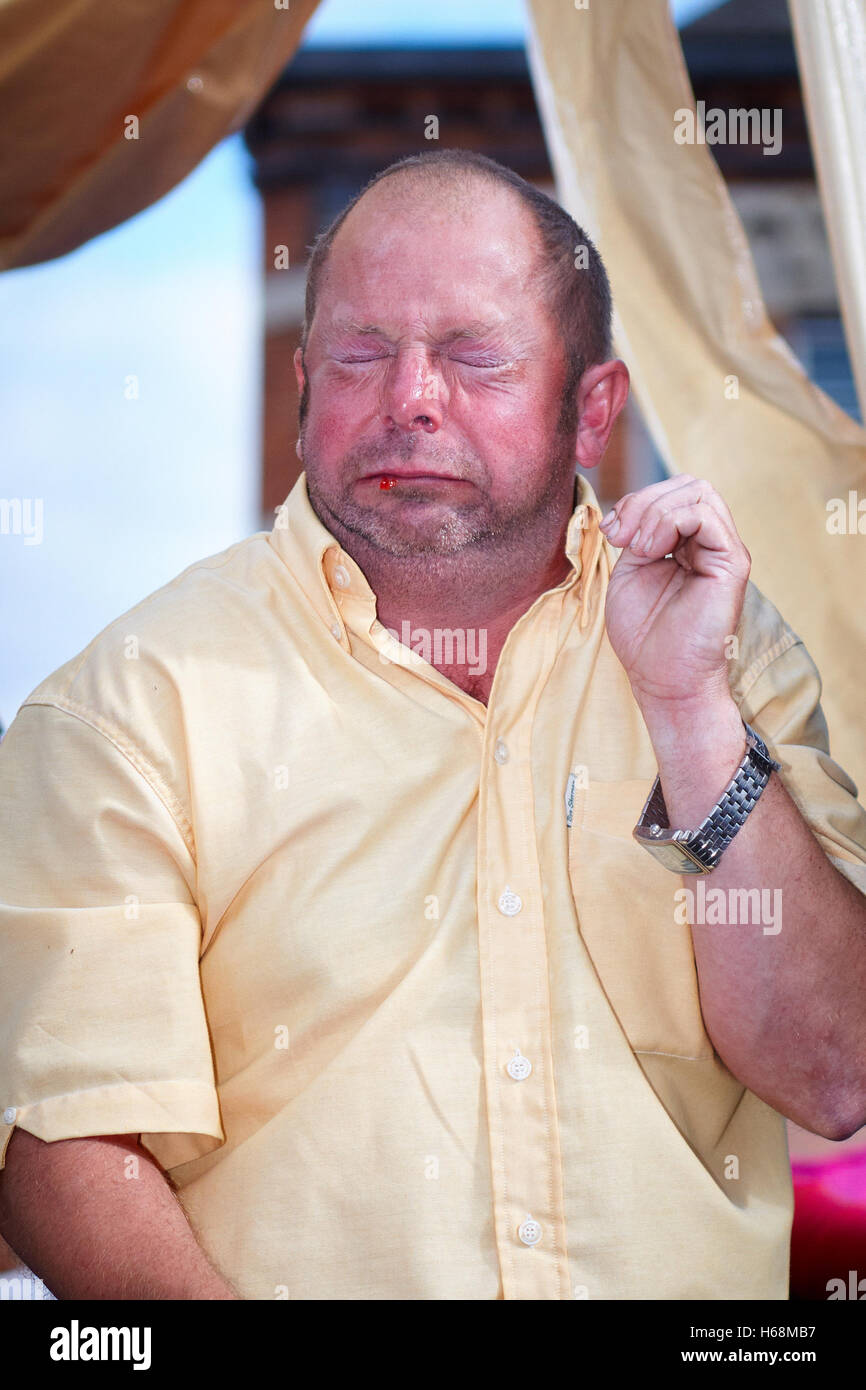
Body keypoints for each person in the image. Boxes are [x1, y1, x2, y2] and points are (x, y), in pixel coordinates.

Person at [1, 149, 865, 1302]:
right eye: (360, 354)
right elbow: (64, 1146)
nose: (409, 396)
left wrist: (687, 711)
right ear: (304, 386)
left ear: (589, 410)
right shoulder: (126, 706)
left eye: (472, 356)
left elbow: (831, 1069)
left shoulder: (728, 655)